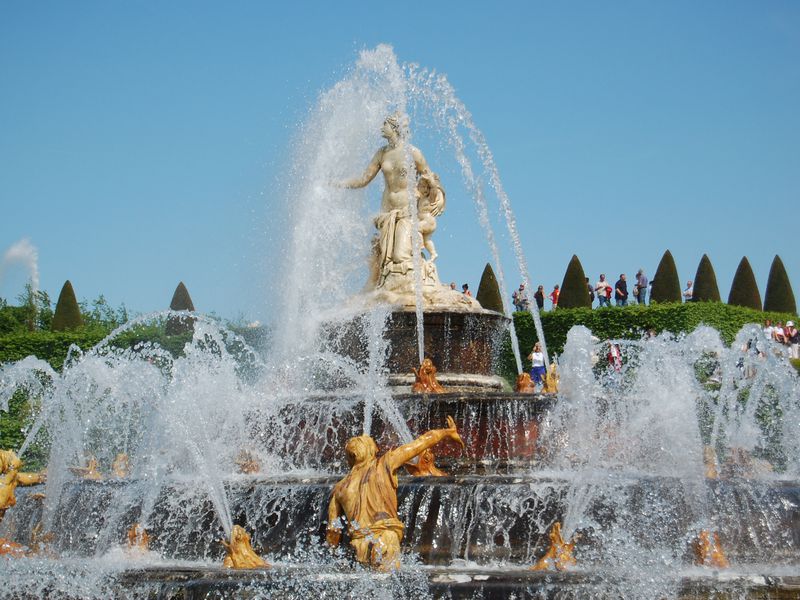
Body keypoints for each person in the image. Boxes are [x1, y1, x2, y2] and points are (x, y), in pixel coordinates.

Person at [326, 418, 464, 569]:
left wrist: (333, 557)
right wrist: (448, 432)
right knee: (387, 585)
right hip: (386, 538)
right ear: (373, 450)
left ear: (351, 456)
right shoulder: (385, 464)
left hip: (358, 544)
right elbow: (421, 442)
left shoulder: (339, 488)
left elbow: (333, 530)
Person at [340, 114, 436, 292]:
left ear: (394, 127)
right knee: (384, 259)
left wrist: (430, 200)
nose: (381, 127)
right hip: (386, 211)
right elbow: (364, 179)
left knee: (400, 255)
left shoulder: (413, 153)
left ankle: (409, 288)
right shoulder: (382, 153)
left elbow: (430, 179)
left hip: (407, 211)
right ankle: (386, 292)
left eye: (385, 124)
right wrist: (341, 184)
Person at [415, 173, 445, 262]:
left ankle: (419, 247)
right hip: (427, 222)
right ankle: (433, 253)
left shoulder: (430, 198)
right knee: (427, 240)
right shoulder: (420, 199)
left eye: (427, 187)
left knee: (416, 228)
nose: (425, 189)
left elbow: (434, 189)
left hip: (429, 221)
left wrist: (430, 180)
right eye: (423, 187)